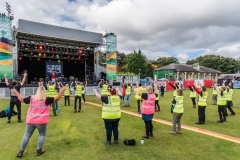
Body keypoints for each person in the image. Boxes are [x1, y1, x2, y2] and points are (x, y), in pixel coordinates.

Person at [11, 82, 66, 157]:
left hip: (30, 120)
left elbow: (21, 99)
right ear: (44, 92)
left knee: (27, 135)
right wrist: (61, 91)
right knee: (42, 135)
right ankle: (38, 150)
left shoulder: (31, 98)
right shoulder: (46, 100)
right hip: (41, 121)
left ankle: (21, 151)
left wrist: (16, 92)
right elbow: (57, 98)